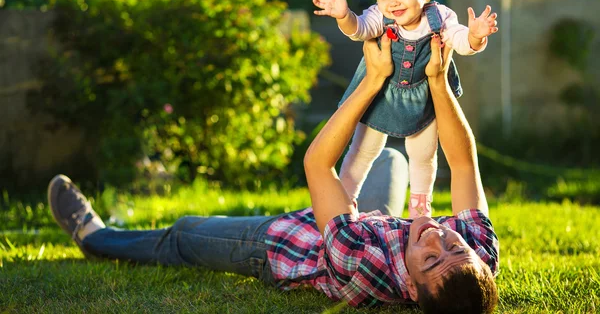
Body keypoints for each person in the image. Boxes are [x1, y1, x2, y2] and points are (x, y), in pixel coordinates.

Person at [48, 35, 499, 313]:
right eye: (453, 245)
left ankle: (96, 237)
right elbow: (462, 162)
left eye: (431, 259)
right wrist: (438, 83)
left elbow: (317, 164)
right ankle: (352, 206)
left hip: (287, 245)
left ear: (414, 294)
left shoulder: (359, 262)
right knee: (392, 159)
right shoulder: (476, 257)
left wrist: (373, 81)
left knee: (185, 235)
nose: (438, 237)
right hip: (372, 219)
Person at [312, 0, 498, 218]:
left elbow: (459, 40)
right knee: (363, 149)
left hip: (422, 95)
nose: (393, 2)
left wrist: (475, 36)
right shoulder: (380, 15)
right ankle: (344, 201)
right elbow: (360, 30)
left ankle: (420, 212)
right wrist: (344, 16)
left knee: (423, 154)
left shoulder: (440, 17)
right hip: (380, 94)